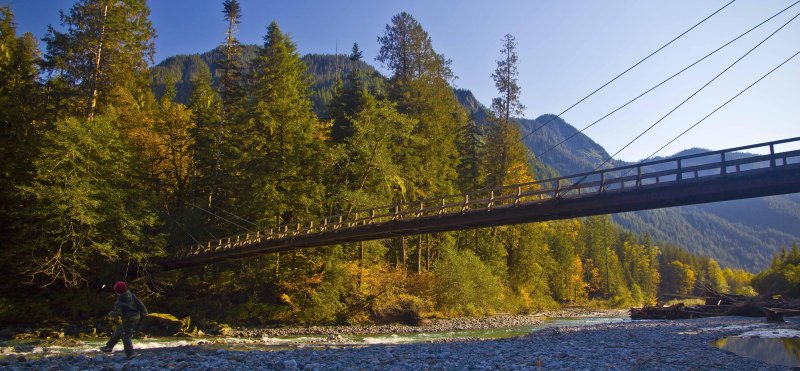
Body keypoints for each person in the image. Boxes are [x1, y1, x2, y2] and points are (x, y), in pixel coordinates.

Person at [99, 281, 147, 359]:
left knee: (126, 336)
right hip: (136, 317)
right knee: (118, 331)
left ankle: (130, 353)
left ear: (117, 290)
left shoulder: (120, 301)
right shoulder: (131, 295)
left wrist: (111, 313)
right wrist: (145, 311)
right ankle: (109, 347)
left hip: (129, 319)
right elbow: (140, 304)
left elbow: (118, 313)